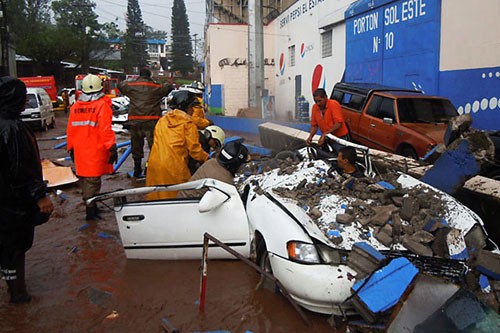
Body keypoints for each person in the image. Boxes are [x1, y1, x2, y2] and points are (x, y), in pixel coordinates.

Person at [0, 76, 54, 303]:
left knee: (5, 245)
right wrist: (40, 196)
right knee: (14, 247)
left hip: (4, 197)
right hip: (12, 201)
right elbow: (22, 168)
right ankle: (18, 294)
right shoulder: (13, 129)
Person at [67, 74, 117, 220]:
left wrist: (70, 147)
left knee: (85, 179)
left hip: (80, 151)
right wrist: (112, 147)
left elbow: (70, 129)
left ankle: (91, 207)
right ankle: (91, 212)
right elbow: (105, 129)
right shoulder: (102, 106)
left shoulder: (75, 107)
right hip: (95, 150)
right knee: (93, 181)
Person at [146, 90, 209, 200]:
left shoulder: (162, 121)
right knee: (177, 198)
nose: (192, 110)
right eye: (191, 107)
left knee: (156, 197)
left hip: (154, 165)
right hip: (174, 167)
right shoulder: (188, 124)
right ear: (187, 107)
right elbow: (195, 151)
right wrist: (209, 159)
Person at [118, 68, 172, 177]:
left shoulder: (131, 86)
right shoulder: (156, 87)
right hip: (151, 121)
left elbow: (120, 85)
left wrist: (131, 81)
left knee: (136, 145)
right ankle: (149, 168)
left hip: (135, 120)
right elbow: (168, 87)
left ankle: (137, 168)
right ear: (150, 75)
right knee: (153, 146)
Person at [178, 141, 251, 198]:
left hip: (181, 199)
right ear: (235, 164)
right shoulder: (225, 180)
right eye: (242, 164)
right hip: (191, 210)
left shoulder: (211, 162)